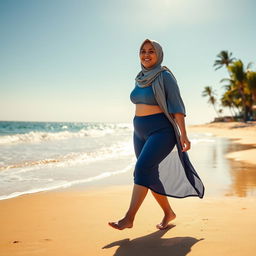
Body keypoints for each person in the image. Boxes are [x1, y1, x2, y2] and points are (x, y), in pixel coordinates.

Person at [108, 39, 204, 231]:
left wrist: (184, 134)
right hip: (139, 132)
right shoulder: (140, 77)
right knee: (149, 173)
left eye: (151, 51)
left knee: (141, 169)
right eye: (142, 51)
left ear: (158, 54)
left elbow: (177, 106)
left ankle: (129, 218)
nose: (146, 54)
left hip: (161, 131)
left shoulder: (165, 76)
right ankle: (169, 213)